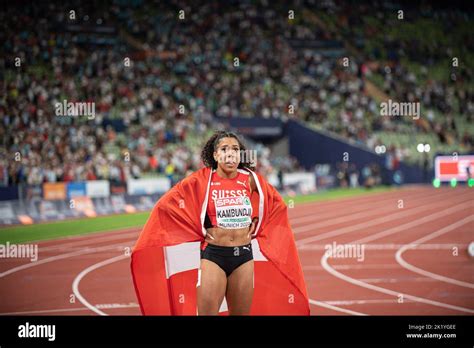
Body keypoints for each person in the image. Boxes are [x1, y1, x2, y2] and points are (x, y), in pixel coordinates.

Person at [131, 131, 309, 316]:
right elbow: (166, 205)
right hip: (214, 256)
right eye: (224, 149)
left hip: (244, 257)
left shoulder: (250, 180)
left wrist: (256, 224)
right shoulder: (202, 180)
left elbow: (276, 204)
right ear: (215, 155)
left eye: (235, 149)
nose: (230, 153)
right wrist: (196, 229)